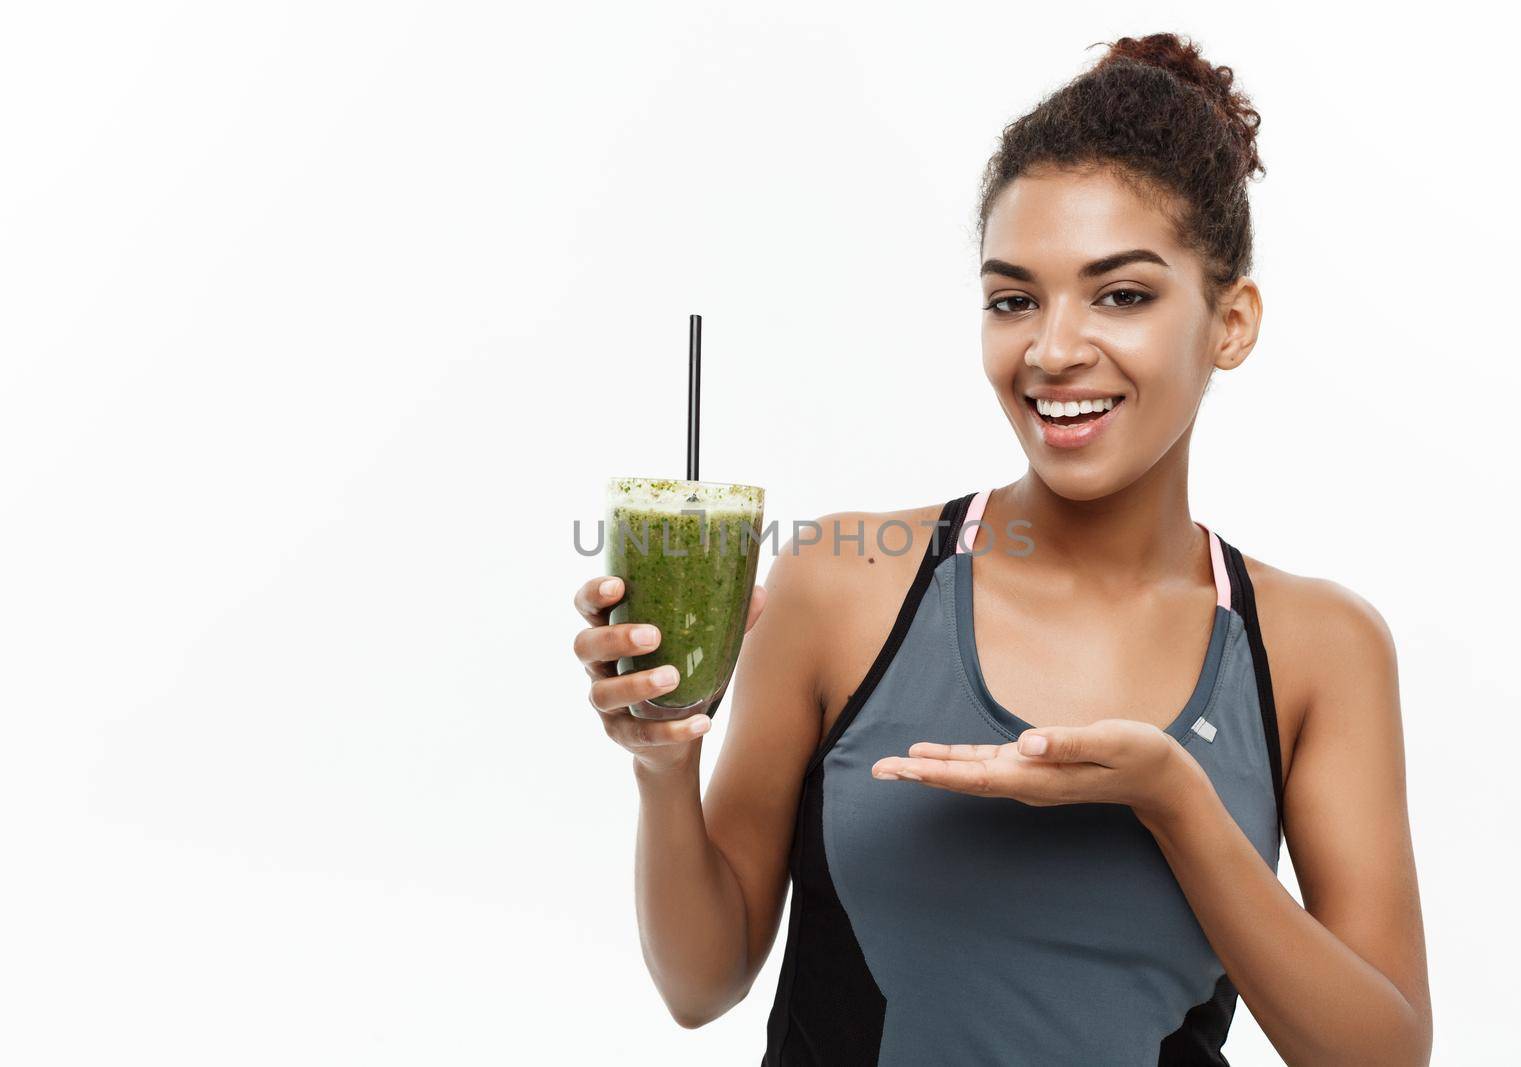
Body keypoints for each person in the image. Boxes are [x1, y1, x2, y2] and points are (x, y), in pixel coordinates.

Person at [571, 32, 1430, 1066]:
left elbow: (1381, 1054)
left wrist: (1173, 802)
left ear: (1230, 321)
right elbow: (698, 983)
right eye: (1013, 297)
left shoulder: (1314, 646)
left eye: (1122, 294)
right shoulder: (842, 583)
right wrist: (665, 767)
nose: (1053, 347)